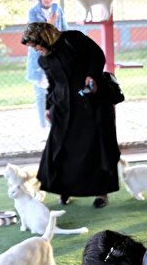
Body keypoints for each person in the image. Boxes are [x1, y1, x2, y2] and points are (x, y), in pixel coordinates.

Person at [22, 22, 120, 208]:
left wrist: (91, 75)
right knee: (62, 149)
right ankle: (65, 189)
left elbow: (96, 55)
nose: (36, 49)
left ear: (45, 37)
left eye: (36, 45)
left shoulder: (71, 40)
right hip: (63, 109)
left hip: (90, 104)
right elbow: (52, 85)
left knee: (94, 148)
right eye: (32, 47)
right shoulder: (44, 60)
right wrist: (49, 107)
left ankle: (101, 192)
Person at [26, 0, 65, 129]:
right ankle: (43, 126)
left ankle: (55, 124)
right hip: (39, 56)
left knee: (57, 91)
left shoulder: (58, 10)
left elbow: (64, 30)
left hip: (55, 55)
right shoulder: (33, 12)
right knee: (40, 93)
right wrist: (49, 23)